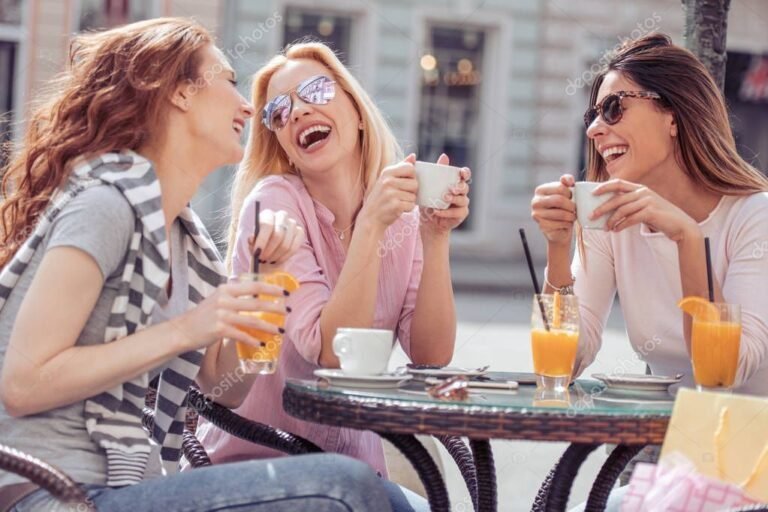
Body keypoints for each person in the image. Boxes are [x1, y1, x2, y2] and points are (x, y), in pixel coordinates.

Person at [0, 18, 396, 512]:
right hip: (50, 492)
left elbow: (226, 387)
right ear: (181, 94)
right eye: (229, 81)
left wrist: (267, 285)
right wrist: (189, 328)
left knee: (378, 493)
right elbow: (22, 384)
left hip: (125, 487)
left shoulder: (183, 240)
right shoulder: (104, 205)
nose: (248, 107)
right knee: (344, 484)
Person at [196, 41, 470, 509]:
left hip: (357, 473)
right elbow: (331, 353)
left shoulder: (398, 217)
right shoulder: (274, 204)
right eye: (279, 111)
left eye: (316, 91)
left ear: (358, 111)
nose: (298, 112)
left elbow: (430, 354)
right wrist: (371, 228)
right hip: (261, 466)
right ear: (280, 140)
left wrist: (434, 236)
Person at [532, 33, 768, 510]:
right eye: (592, 114)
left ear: (675, 115)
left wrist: (687, 239)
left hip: (753, 457)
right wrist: (560, 248)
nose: (596, 129)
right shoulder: (608, 217)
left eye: (614, 107)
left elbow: (722, 373)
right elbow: (559, 364)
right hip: (684, 461)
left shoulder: (755, 217)